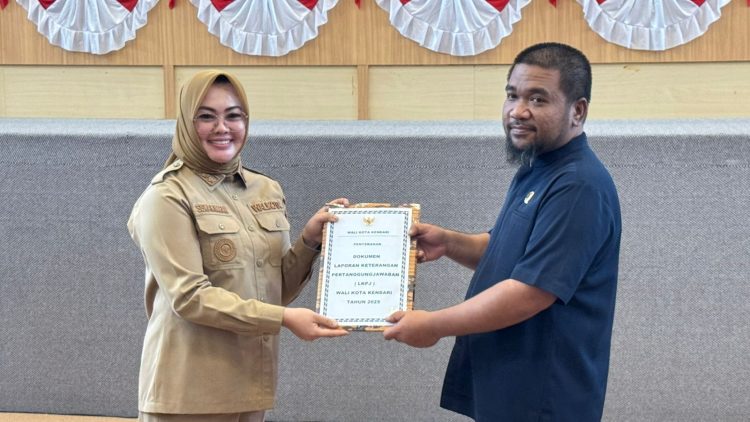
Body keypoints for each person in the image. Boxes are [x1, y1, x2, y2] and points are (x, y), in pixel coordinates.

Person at [383, 42, 622, 421]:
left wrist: (434, 325)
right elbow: (508, 250)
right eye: (512, 95)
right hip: (508, 379)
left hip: (543, 393)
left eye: (538, 99)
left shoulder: (578, 186)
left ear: (577, 111)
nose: (517, 111)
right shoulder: (538, 166)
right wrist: (449, 242)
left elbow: (531, 292)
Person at [127, 70, 348, 422]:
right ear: (186, 123)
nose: (222, 128)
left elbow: (274, 290)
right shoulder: (166, 197)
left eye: (233, 115)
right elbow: (190, 297)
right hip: (188, 393)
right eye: (206, 117)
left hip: (251, 386)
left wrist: (309, 241)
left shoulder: (265, 189)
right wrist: (284, 319)